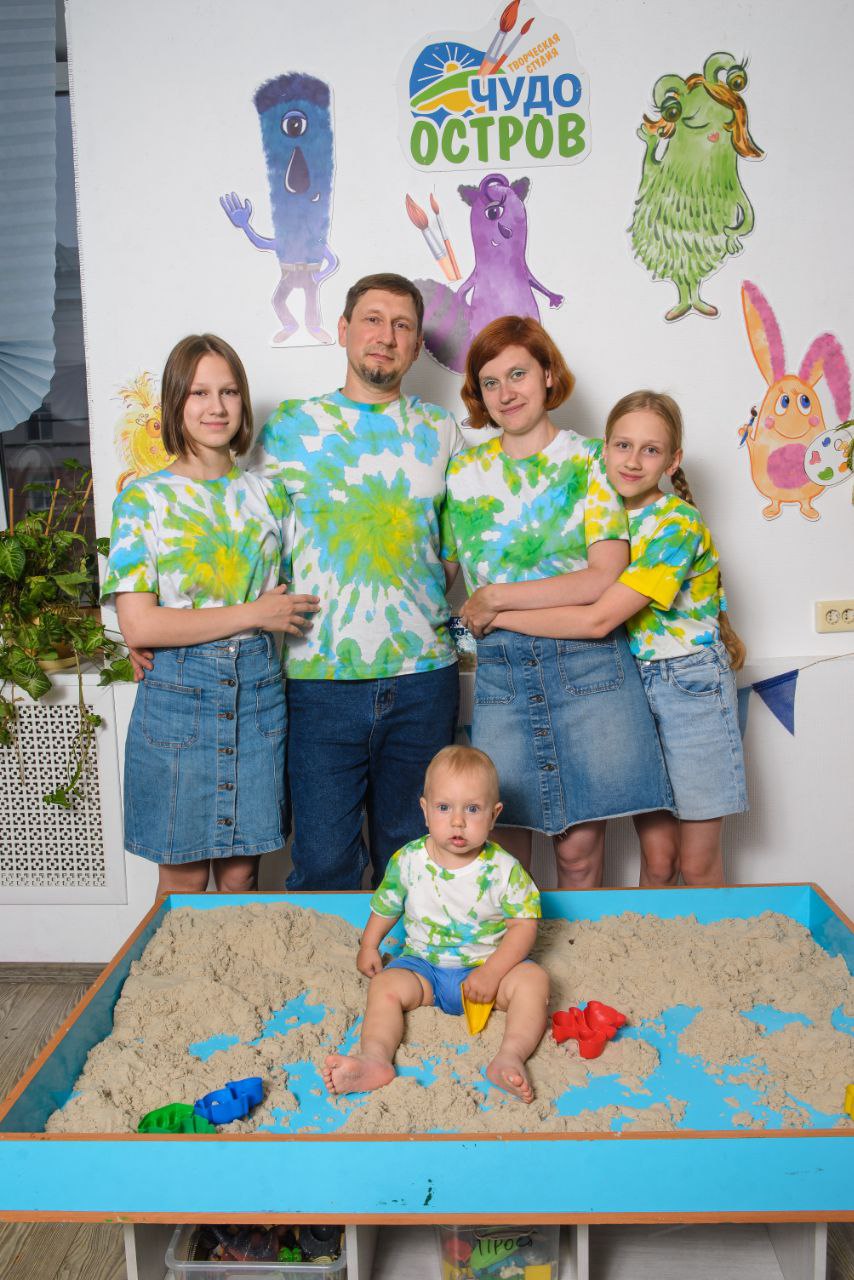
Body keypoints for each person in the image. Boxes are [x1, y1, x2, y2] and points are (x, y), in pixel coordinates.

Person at [441, 316, 673, 889]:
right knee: (502, 862)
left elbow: (602, 576)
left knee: (578, 857)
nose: (506, 392)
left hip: (587, 667)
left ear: (547, 374)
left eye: (518, 374)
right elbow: (442, 573)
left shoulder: (593, 459)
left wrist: (496, 600)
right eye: (490, 382)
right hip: (502, 672)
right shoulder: (462, 473)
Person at [249, 273, 463, 891]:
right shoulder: (290, 427)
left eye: (401, 325)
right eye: (372, 319)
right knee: (323, 864)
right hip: (318, 681)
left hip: (423, 678)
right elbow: (250, 538)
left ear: (417, 345)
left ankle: (408, 959)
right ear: (343, 330)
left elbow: (454, 551)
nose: (385, 336)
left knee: (415, 862)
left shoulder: (442, 431)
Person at [489, 390, 747, 886]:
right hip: (626, 683)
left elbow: (596, 619)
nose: (632, 461)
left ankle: (712, 936)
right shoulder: (600, 520)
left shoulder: (677, 523)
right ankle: (649, 938)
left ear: (672, 460)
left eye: (651, 450)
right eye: (622, 445)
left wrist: (498, 611)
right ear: (602, 449)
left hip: (689, 685)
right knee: (658, 859)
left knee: (696, 863)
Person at [101, 334, 319, 896]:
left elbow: (289, 598)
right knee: (183, 876)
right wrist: (253, 613)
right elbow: (140, 625)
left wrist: (258, 616)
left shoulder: (269, 497)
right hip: (179, 697)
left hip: (257, 693)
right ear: (176, 402)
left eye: (229, 392)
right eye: (199, 392)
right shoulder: (144, 500)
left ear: (243, 401)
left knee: (243, 873)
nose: (216, 407)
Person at [321, 745, 548, 1103]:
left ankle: (510, 1056)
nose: (458, 821)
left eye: (472, 809)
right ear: (425, 811)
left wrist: (493, 973)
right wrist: (369, 944)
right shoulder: (409, 860)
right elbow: (387, 905)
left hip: (487, 969)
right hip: (424, 969)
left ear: (493, 815)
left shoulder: (505, 870)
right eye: (444, 808)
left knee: (534, 981)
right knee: (384, 986)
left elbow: (524, 927)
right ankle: (375, 1059)